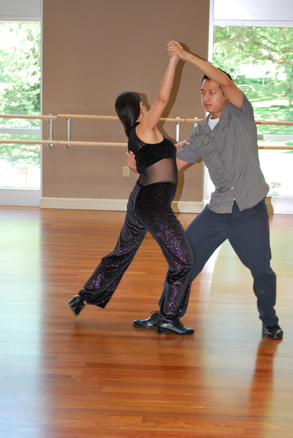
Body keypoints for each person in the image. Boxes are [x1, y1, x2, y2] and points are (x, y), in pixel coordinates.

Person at [130, 41, 283, 340]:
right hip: (218, 210)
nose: (207, 97)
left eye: (213, 91)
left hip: (249, 210)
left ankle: (269, 320)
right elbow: (173, 164)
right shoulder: (199, 133)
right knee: (183, 260)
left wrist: (186, 56)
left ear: (227, 94)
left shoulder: (242, 115)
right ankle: (166, 313)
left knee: (261, 270)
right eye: (203, 92)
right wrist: (142, 164)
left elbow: (225, 79)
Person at [68, 46, 195, 335]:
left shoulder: (139, 134)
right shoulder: (143, 126)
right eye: (143, 103)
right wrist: (174, 59)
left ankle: (85, 295)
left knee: (122, 253)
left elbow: (162, 166)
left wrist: (180, 151)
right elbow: (163, 98)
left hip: (141, 199)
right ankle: (168, 316)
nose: (148, 105)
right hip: (153, 205)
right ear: (138, 108)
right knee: (184, 259)